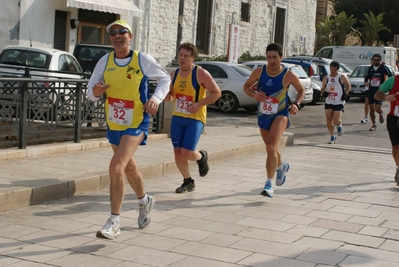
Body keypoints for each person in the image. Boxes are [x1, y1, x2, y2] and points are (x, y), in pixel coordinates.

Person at [87, 20, 171, 239]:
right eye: (112, 33)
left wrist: (155, 99)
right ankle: (145, 200)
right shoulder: (105, 61)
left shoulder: (141, 59)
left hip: (136, 122)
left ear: (130, 36)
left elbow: (165, 78)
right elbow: (90, 92)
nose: (117, 36)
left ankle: (114, 221)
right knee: (129, 169)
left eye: (121, 32)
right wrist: (96, 92)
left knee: (116, 167)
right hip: (114, 123)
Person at [243, 43, 304, 198]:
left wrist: (296, 104)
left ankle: (269, 184)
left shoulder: (288, 74)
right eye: (269, 57)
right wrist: (254, 95)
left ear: (281, 57)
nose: (271, 61)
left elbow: (301, 90)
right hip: (263, 115)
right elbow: (246, 86)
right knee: (272, 148)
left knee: (270, 146)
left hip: (281, 114)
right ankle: (281, 166)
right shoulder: (259, 71)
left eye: (275, 57)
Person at [164, 42, 221, 193]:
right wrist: (164, 94)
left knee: (187, 152)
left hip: (195, 118)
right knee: (177, 152)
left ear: (193, 58)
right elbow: (170, 98)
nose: (182, 58)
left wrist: (199, 103)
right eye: (180, 55)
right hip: (178, 117)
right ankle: (188, 181)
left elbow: (216, 93)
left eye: (186, 56)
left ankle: (201, 157)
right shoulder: (173, 74)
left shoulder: (200, 74)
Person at [374, 75, 399, 186]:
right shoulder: (392, 80)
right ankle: (398, 168)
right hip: (394, 118)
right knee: (396, 147)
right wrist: (386, 97)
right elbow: (377, 94)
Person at [320, 61, 351, 144]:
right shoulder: (326, 78)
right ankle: (332, 136)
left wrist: (346, 93)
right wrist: (324, 92)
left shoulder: (341, 77)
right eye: (331, 69)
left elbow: (348, 86)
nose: (332, 71)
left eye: (334, 69)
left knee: (335, 120)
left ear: (337, 69)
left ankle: (339, 124)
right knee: (328, 120)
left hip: (339, 101)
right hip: (329, 101)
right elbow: (322, 88)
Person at [364, 53, 392, 131]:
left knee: (377, 108)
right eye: (374, 60)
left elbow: (391, 77)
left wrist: (384, 84)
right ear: (372, 60)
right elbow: (366, 78)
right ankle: (374, 124)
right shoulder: (370, 69)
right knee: (371, 108)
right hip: (371, 90)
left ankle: (381, 113)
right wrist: (366, 82)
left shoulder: (384, 68)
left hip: (380, 91)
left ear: (380, 60)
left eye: (377, 60)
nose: (375, 61)